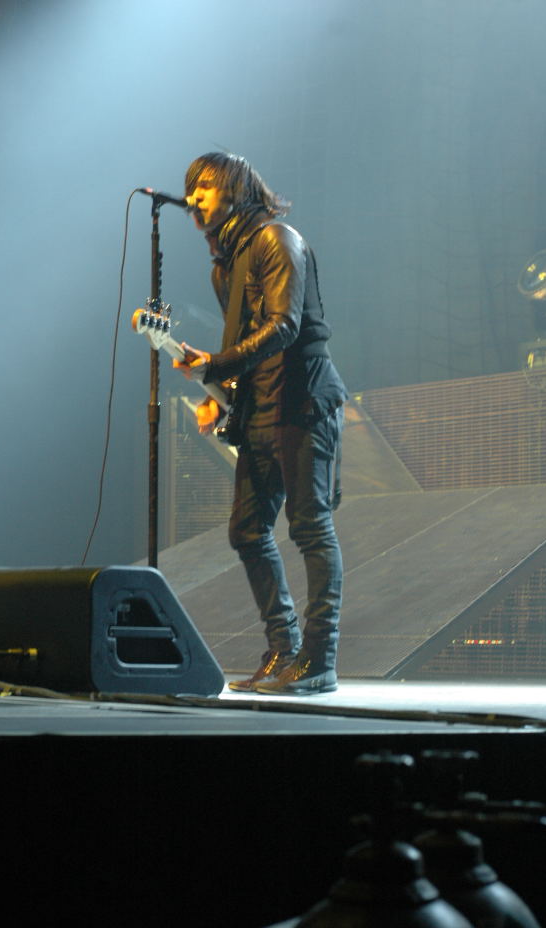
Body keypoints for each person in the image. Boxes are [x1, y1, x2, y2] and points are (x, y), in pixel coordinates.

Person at [173, 152, 347, 695]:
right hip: (261, 407)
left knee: (310, 526)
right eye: (191, 189)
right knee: (247, 530)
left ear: (234, 189)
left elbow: (284, 326)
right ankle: (283, 650)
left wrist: (216, 364)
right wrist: (223, 397)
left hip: (302, 400)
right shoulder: (224, 266)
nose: (195, 198)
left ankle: (319, 659)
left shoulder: (277, 240)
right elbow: (245, 345)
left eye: (204, 186)